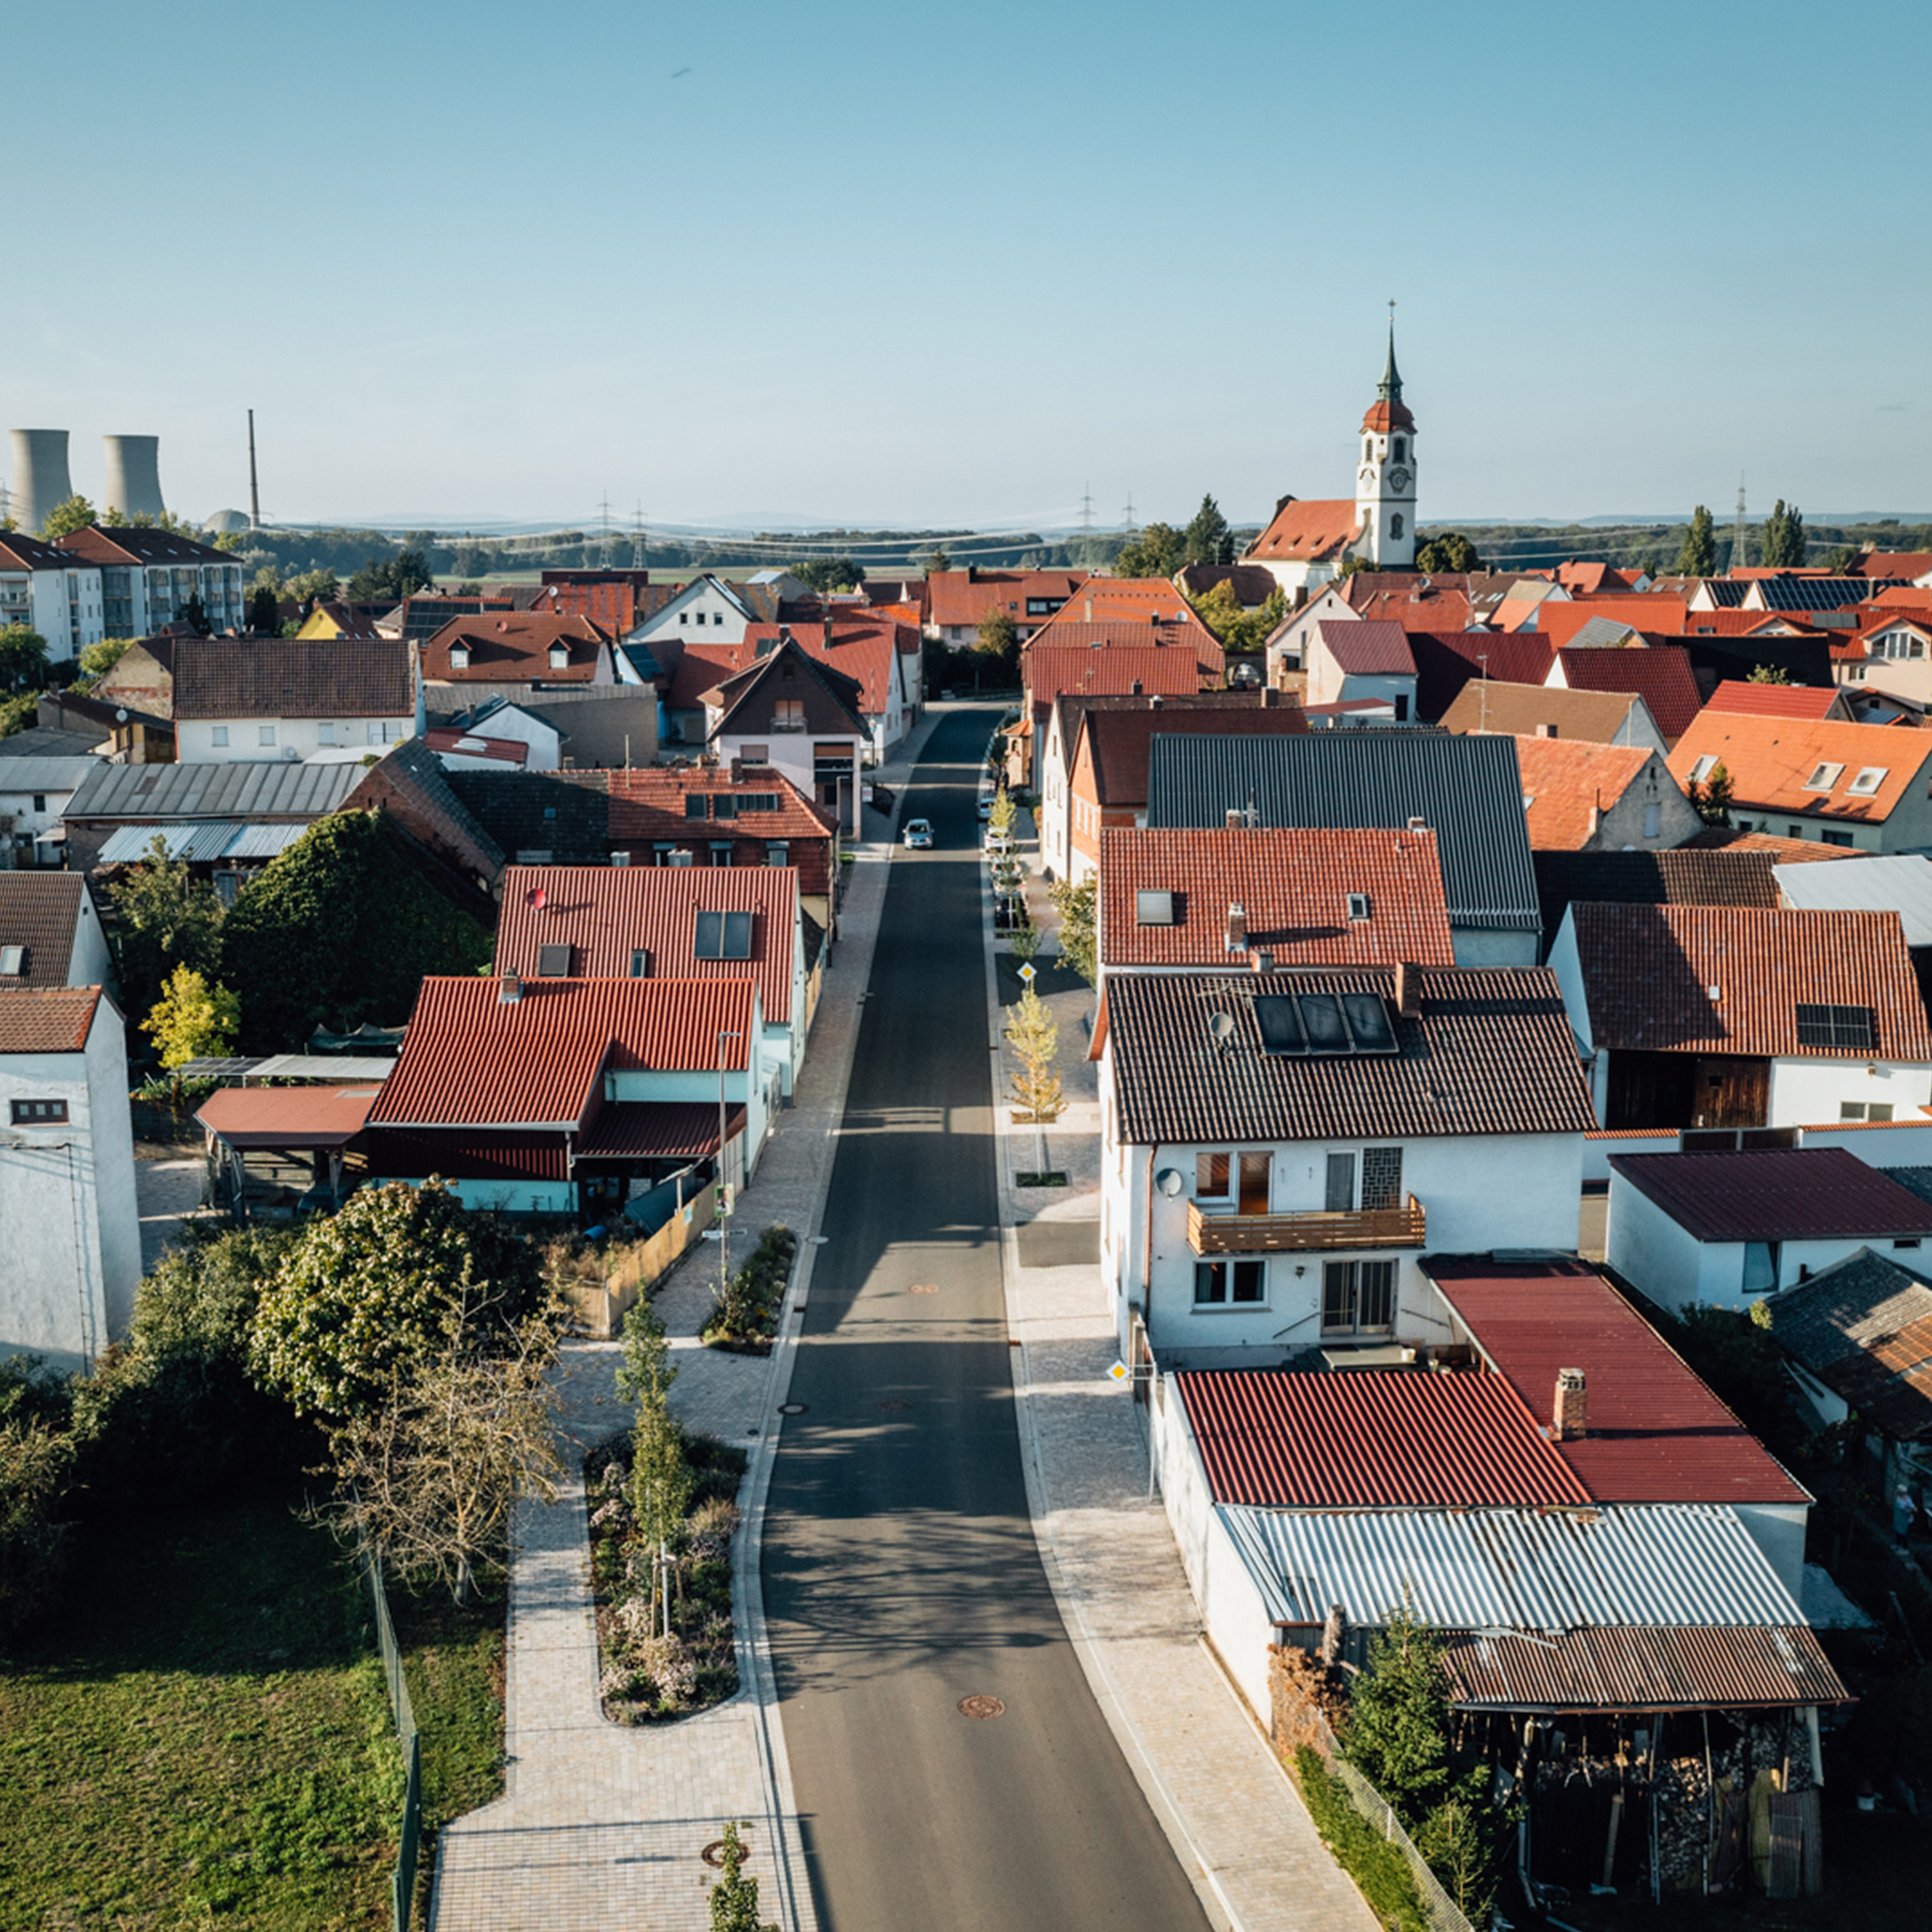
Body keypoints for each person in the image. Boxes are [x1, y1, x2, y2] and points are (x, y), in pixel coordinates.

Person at [1893, 1481, 1918, 1546]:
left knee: (1904, 1534)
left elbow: (1915, 1509)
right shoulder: (1899, 1497)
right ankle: (1898, 1545)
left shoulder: (1907, 1499)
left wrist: (1910, 1512)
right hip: (1898, 1519)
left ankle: (1904, 1548)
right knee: (1898, 1533)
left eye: (1899, 1491)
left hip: (1904, 1520)